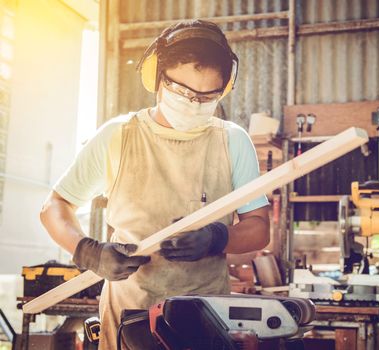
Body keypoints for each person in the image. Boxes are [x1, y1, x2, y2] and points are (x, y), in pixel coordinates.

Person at [40, 19, 270, 349]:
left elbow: (259, 228)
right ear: (157, 78)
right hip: (129, 316)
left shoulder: (232, 142)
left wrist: (217, 238)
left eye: (208, 96)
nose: (195, 104)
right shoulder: (118, 137)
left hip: (205, 318)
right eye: (183, 92)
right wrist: (89, 252)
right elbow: (54, 208)